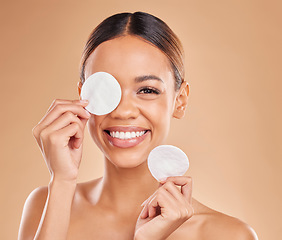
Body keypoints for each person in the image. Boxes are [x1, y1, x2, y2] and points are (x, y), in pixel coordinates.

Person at [18, 11, 258, 240]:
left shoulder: (227, 234)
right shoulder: (45, 207)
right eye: (105, 89)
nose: (123, 111)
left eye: (147, 90)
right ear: (83, 95)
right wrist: (62, 182)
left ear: (180, 100)